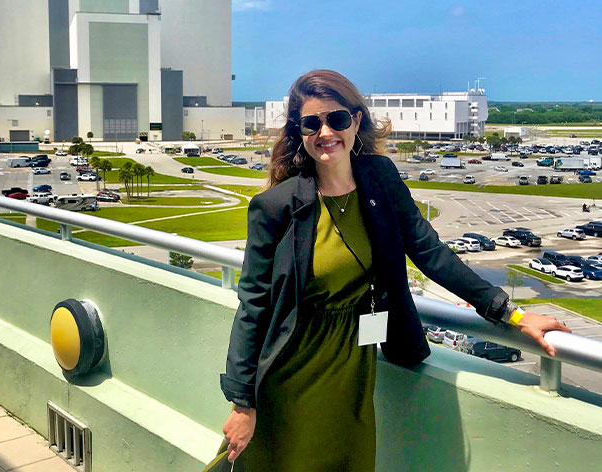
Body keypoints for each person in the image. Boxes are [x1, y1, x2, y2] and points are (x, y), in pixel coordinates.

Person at [218, 70, 569, 471]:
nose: (325, 132)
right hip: (292, 368)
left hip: (353, 362)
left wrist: (512, 313)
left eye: (337, 119)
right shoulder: (275, 206)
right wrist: (243, 404)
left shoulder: (380, 179)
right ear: (299, 132)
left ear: (356, 121)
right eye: (311, 123)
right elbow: (253, 308)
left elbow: (430, 251)